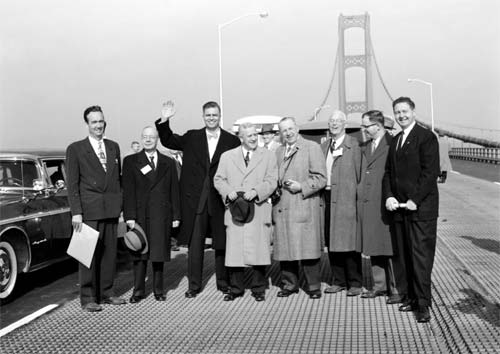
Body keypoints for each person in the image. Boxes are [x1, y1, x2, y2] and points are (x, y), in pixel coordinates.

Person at [155, 100, 240, 298]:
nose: (211, 118)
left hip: (220, 200)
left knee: (222, 243)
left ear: (220, 116)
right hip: (196, 202)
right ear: (203, 117)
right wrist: (165, 119)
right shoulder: (192, 137)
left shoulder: (231, 141)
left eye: (215, 115)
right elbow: (168, 140)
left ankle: (223, 283)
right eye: (208, 115)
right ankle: (194, 286)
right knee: (195, 245)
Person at [383, 97, 440, 323]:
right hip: (400, 209)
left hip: (421, 210)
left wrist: (415, 199)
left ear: (413, 111)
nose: (401, 116)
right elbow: (388, 173)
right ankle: (411, 297)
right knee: (405, 256)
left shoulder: (426, 138)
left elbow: (430, 173)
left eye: (405, 111)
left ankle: (424, 304)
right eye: (397, 112)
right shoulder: (396, 140)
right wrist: (388, 196)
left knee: (421, 258)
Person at [66, 105, 126, 312]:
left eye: (101, 121)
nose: (98, 125)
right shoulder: (75, 149)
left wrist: (120, 207)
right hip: (88, 211)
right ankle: (88, 297)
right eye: (94, 122)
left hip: (110, 209)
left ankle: (107, 292)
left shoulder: (113, 147)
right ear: (87, 124)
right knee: (87, 255)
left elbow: (117, 180)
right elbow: (72, 184)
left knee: (110, 254)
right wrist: (76, 212)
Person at [214, 123, 277, 302]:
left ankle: (259, 288)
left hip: (258, 208)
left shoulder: (268, 156)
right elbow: (218, 179)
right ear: (241, 137)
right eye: (248, 135)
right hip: (236, 210)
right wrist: (228, 192)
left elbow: (273, 179)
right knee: (235, 252)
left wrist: (257, 191)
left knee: (259, 250)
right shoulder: (227, 157)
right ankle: (236, 289)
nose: (253, 138)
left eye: (254, 135)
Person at [122, 126, 181, 303]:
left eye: (152, 137)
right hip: (139, 215)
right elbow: (128, 191)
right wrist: (129, 216)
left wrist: (176, 216)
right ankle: (138, 291)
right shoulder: (131, 161)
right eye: (145, 137)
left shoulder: (168, 162)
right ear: (141, 139)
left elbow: (174, 191)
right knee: (139, 255)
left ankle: (158, 290)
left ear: (157, 140)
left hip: (161, 214)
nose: (148, 140)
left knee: (158, 255)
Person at [273, 117, 326, 299]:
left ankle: (313, 287)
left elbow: (321, 178)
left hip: (303, 205)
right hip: (282, 208)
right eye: (284, 130)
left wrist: (301, 186)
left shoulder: (312, 147)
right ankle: (289, 284)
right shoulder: (278, 151)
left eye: (290, 129)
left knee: (308, 249)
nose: (288, 133)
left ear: (297, 128)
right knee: (286, 249)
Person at [357, 110, 398, 301]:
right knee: (374, 245)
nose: (363, 129)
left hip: (386, 202)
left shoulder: (392, 144)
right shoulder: (365, 146)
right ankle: (379, 285)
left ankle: (396, 288)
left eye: (366, 126)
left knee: (390, 247)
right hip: (369, 202)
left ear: (378, 126)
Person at [320, 110, 362, 296]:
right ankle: (338, 281)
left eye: (338, 121)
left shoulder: (354, 145)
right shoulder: (323, 146)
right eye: (331, 121)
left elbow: (360, 174)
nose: (334, 124)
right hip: (327, 198)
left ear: (345, 124)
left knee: (349, 242)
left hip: (346, 198)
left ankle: (355, 282)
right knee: (332, 240)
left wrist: (357, 199)